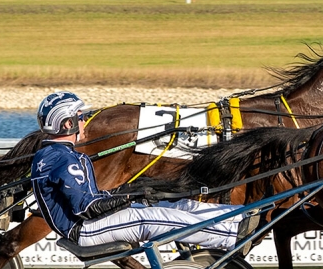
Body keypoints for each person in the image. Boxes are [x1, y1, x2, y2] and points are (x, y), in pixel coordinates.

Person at [30, 91, 256, 251]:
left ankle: (238, 215)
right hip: (85, 230)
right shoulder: (62, 159)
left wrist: (133, 192)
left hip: (92, 222)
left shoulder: (56, 154)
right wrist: (131, 196)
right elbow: (87, 208)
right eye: (80, 117)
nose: (84, 121)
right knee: (153, 217)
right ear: (67, 123)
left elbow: (94, 198)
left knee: (173, 205)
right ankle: (231, 236)